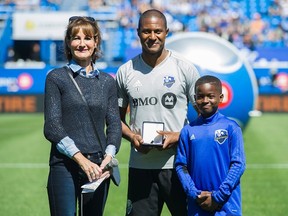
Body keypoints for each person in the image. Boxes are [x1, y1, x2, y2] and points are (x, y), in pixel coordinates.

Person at [116, 9, 200, 216]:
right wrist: (133, 137)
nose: (152, 37)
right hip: (140, 167)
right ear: (138, 33)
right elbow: (115, 120)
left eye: (157, 31)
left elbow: (205, 120)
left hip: (180, 166)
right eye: (146, 31)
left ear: (166, 32)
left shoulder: (184, 68)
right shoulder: (125, 71)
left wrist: (178, 136)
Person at [43, 16, 122, 216]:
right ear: (68, 43)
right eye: (76, 38)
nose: (82, 43)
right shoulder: (56, 77)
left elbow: (114, 124)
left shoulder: (107, 82)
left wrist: (109, 156)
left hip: (98, 166)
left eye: (87, 38)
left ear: (96, 43)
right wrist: (80, 159)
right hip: (64, 164)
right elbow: (52, 126)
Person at [175, 75, 246, 215]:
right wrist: (195, 194)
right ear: (195, 98)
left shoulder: (231, 127)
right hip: (197, 204)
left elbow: (238, 164)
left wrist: (217, 197)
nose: (205, 100)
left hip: (226, 205)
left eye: (210, 96)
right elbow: (180, 165)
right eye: (200, 96)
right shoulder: (188, 131)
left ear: (221, 97)